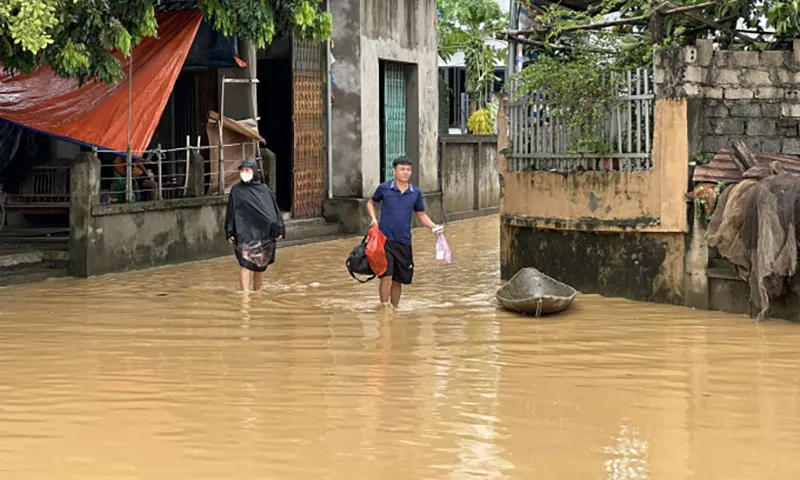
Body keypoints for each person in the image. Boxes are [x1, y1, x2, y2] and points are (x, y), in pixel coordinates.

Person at [367, 156, 441, 309]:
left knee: (398, 279)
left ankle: (394, 309)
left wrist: (434, 227)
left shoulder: (416, 193)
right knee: (386, 276)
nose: (405, 172)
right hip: (384, 240)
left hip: (404, 241)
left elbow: (421, 214)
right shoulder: (384, 188)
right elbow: (371, 202)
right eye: (402, 169)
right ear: (394, 171)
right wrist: (373, 219)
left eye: (408, 169)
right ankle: (384, 308)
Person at [225, 158, 285, 292]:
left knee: (260, 266)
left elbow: (273, 211)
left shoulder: (264, 190)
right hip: (243, 232)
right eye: (242, 170)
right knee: (245, 265)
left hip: (262, 234)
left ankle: (257, 293)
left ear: (254, 171)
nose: (244, 173)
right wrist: (229, 231)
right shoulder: (236, 190)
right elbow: (231, 211)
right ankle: (245, 296)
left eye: (247, 170)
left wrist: (278, 229)